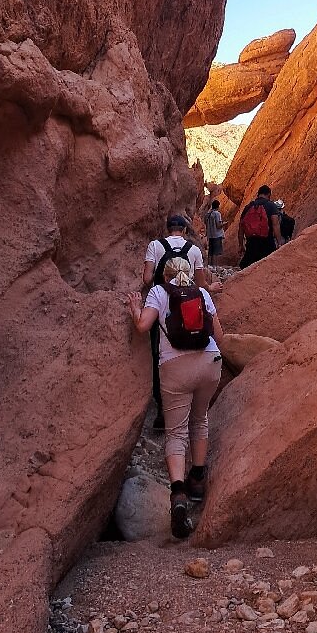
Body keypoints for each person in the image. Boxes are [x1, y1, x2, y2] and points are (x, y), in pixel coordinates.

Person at [127, 258, 224, 538]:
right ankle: (197, 479)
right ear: (191, 274)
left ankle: (179, 495)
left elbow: (143, 326)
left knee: (176, 431)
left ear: (166, 274)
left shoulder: (159, 292)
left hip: (174, 368)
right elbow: (219, 334)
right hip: (209, 362)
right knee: (200, 419)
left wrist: (135, 307)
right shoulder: (203, 293)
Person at [142, 215, 209, 431]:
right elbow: (200, 283)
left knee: (159, 354)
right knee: (190, 345)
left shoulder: (155, 245)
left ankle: (163, 409)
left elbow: (146, 278)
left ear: (167, 228)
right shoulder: (194, 250)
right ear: (184, 230)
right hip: (188, 304)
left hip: (162, 304)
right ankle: (190, 406)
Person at [238, 184, 282, 268]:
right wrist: (279, 243)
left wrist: (241, 245)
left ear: (258, 194)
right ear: (269, 194)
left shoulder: (248, 207)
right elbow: (275, 225)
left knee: (248, 268)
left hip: (251, 243)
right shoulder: (271, 206)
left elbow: (241, 228)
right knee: (267, 267)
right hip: (267, 242)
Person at [204, 199, 225, 267]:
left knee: (211, 251)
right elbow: (218, 226)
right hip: (217, 235)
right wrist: (224, 223)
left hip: (210, 235)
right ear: (218, 206)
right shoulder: (217, 213)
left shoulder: (208, 214)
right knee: (216, 252)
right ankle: (215, 266)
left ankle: (210, 266)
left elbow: (205, 223)